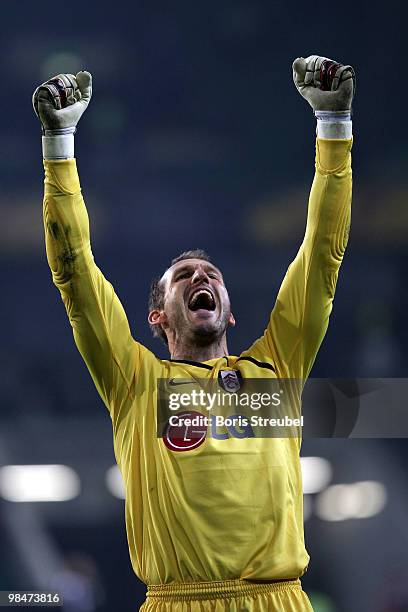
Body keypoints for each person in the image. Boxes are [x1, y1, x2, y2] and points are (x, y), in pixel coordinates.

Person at [33, 54, 355, 611]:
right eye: (183, 277)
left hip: (280, 601)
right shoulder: (136, 382)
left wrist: (335, 129)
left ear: (229, 312)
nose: (200, 278)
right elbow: (75, 274)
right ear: (158, 316)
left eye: (210, 275)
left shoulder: (275, 370)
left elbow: (322, 257)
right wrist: (59, 148)